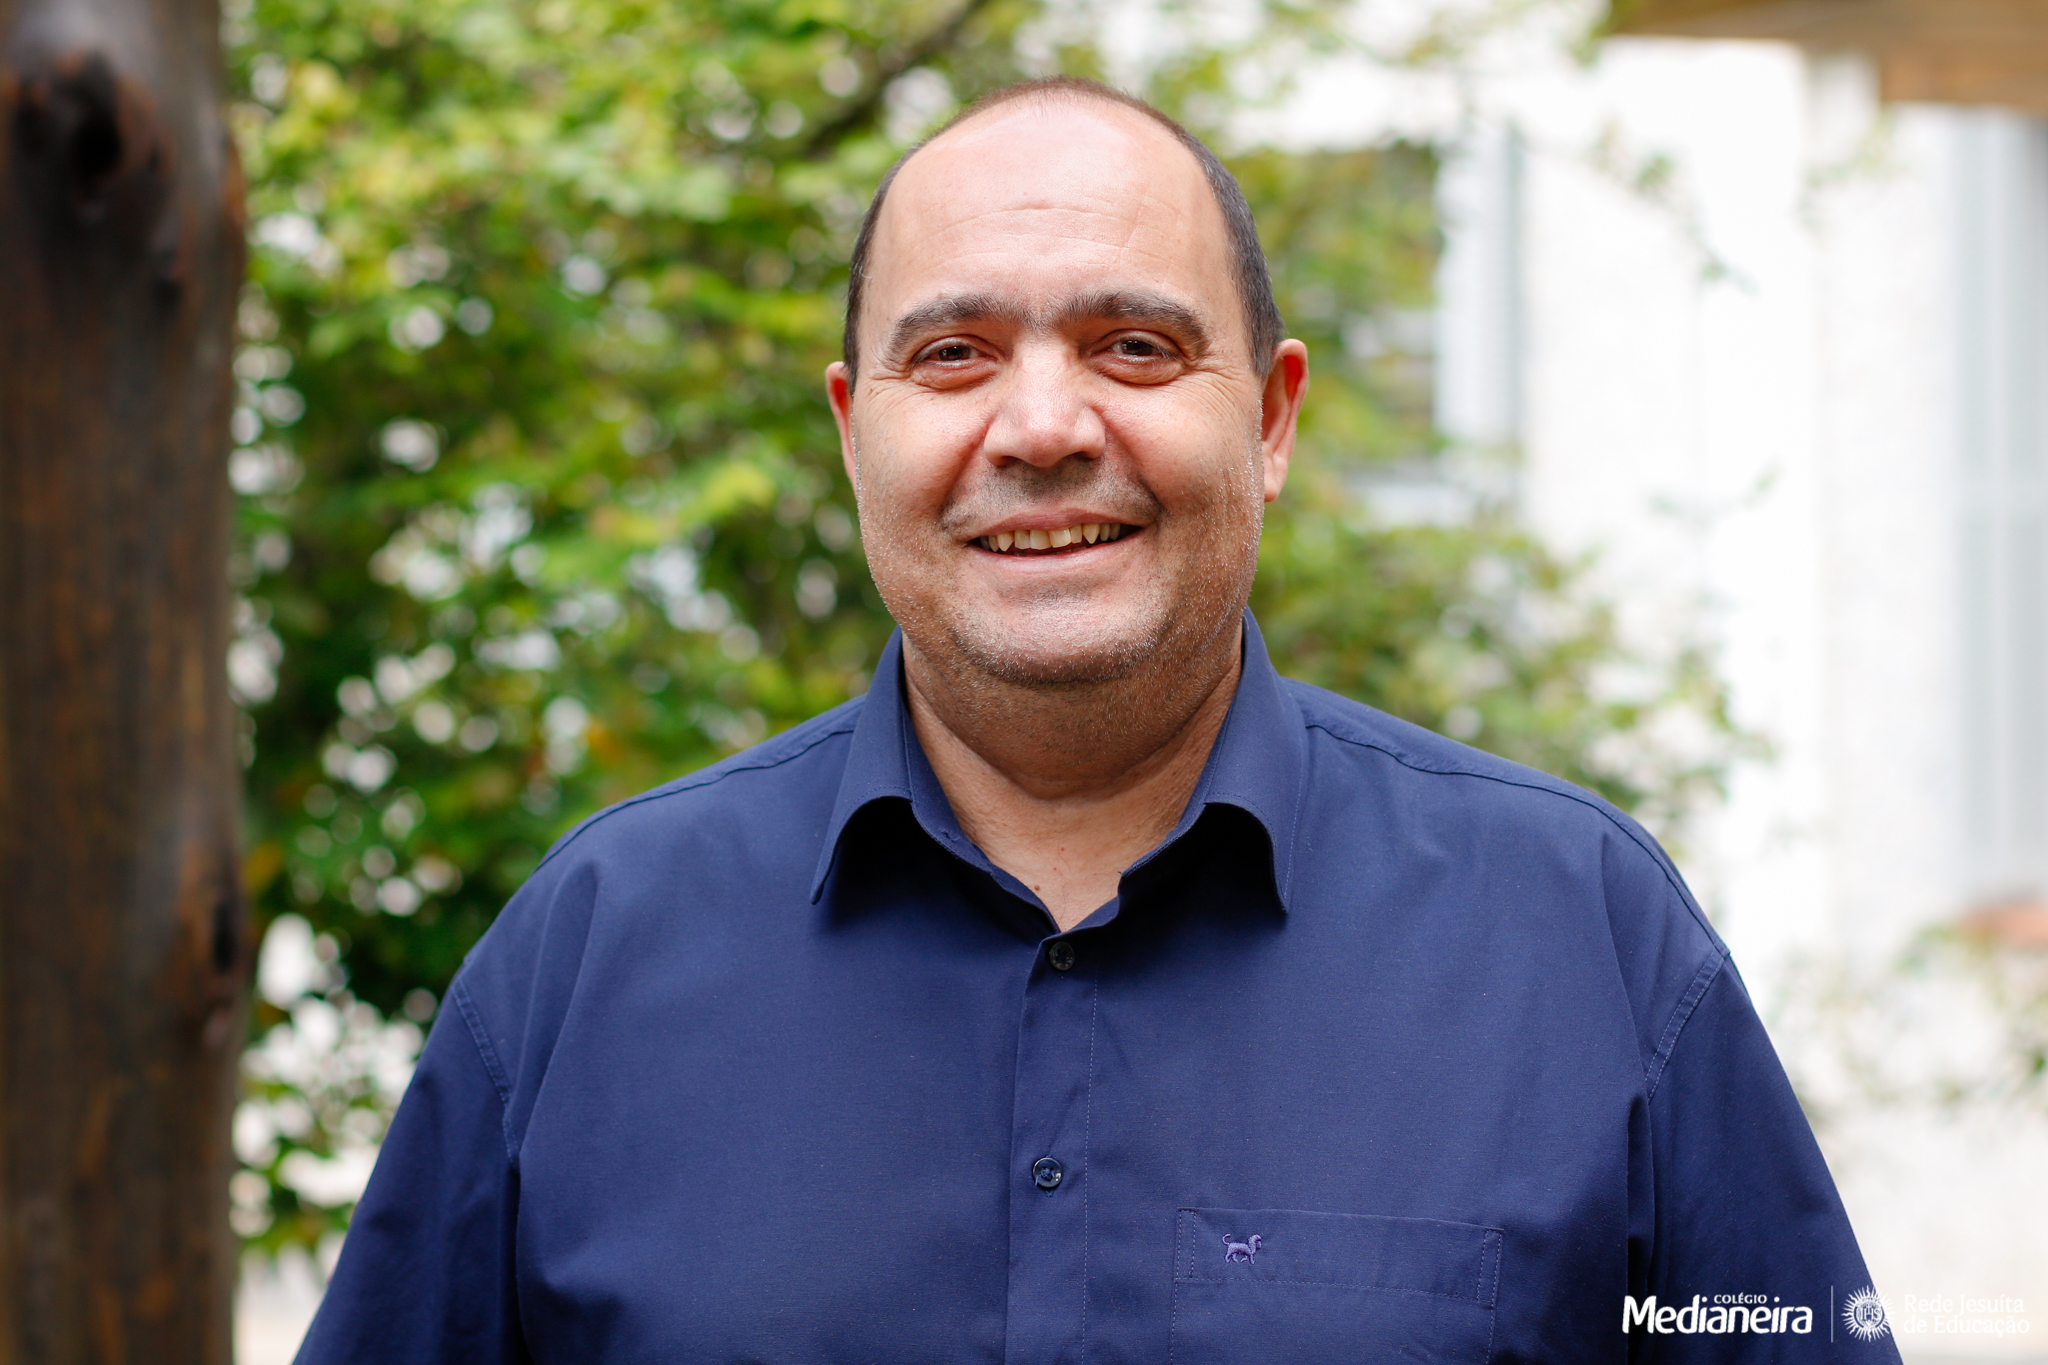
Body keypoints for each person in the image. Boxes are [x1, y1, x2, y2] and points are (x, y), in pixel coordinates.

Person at [296, 78, 1899, 1364]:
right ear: (854, 433)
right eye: (954, 354)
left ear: (1270, 417)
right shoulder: (589, 955)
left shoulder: (1582, 936)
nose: (1045, 425)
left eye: (1134, 346)